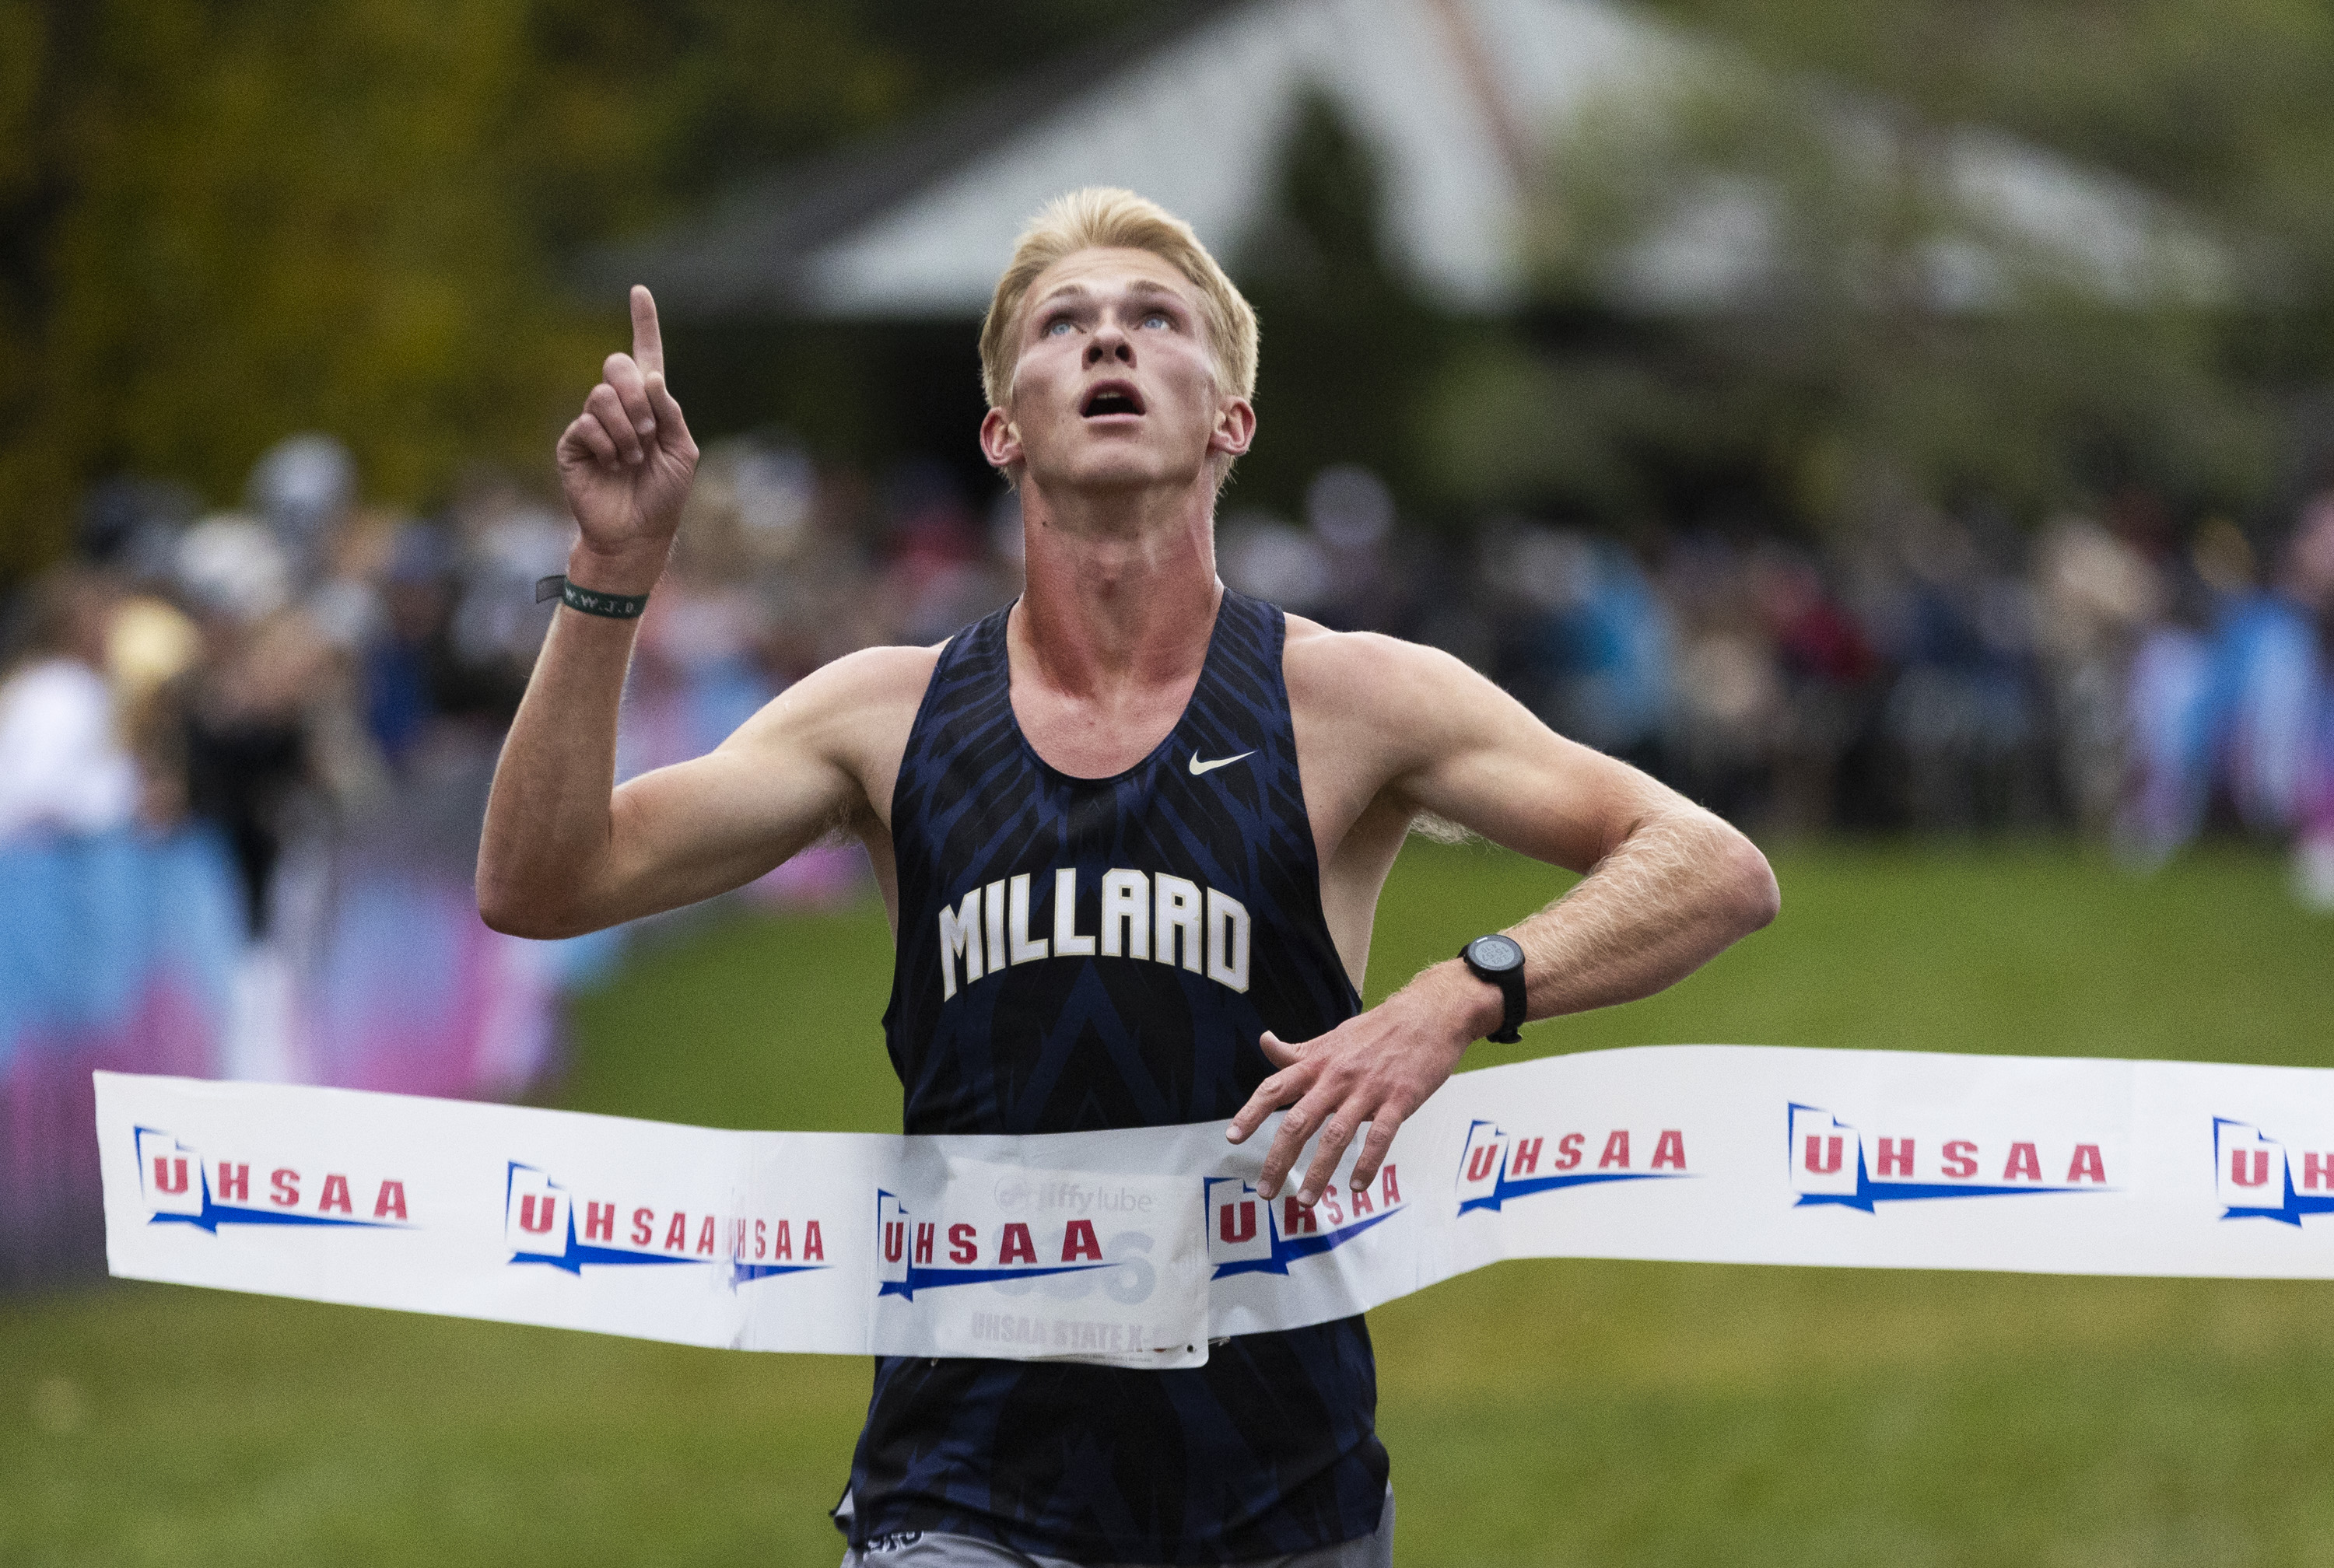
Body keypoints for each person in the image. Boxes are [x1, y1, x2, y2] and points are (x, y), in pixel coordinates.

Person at [478, 187, 1778, 1568]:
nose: (1110, 342)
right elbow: (546, 881)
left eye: (1156, 320)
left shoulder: (1350, 698)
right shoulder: (884, 713)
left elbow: (1711, 864)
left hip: (1284, 1493)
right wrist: (613, 570)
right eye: (1065, 324)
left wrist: (1456, 997)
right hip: (961, 1488)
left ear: (1229, 418)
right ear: (1003, 428)